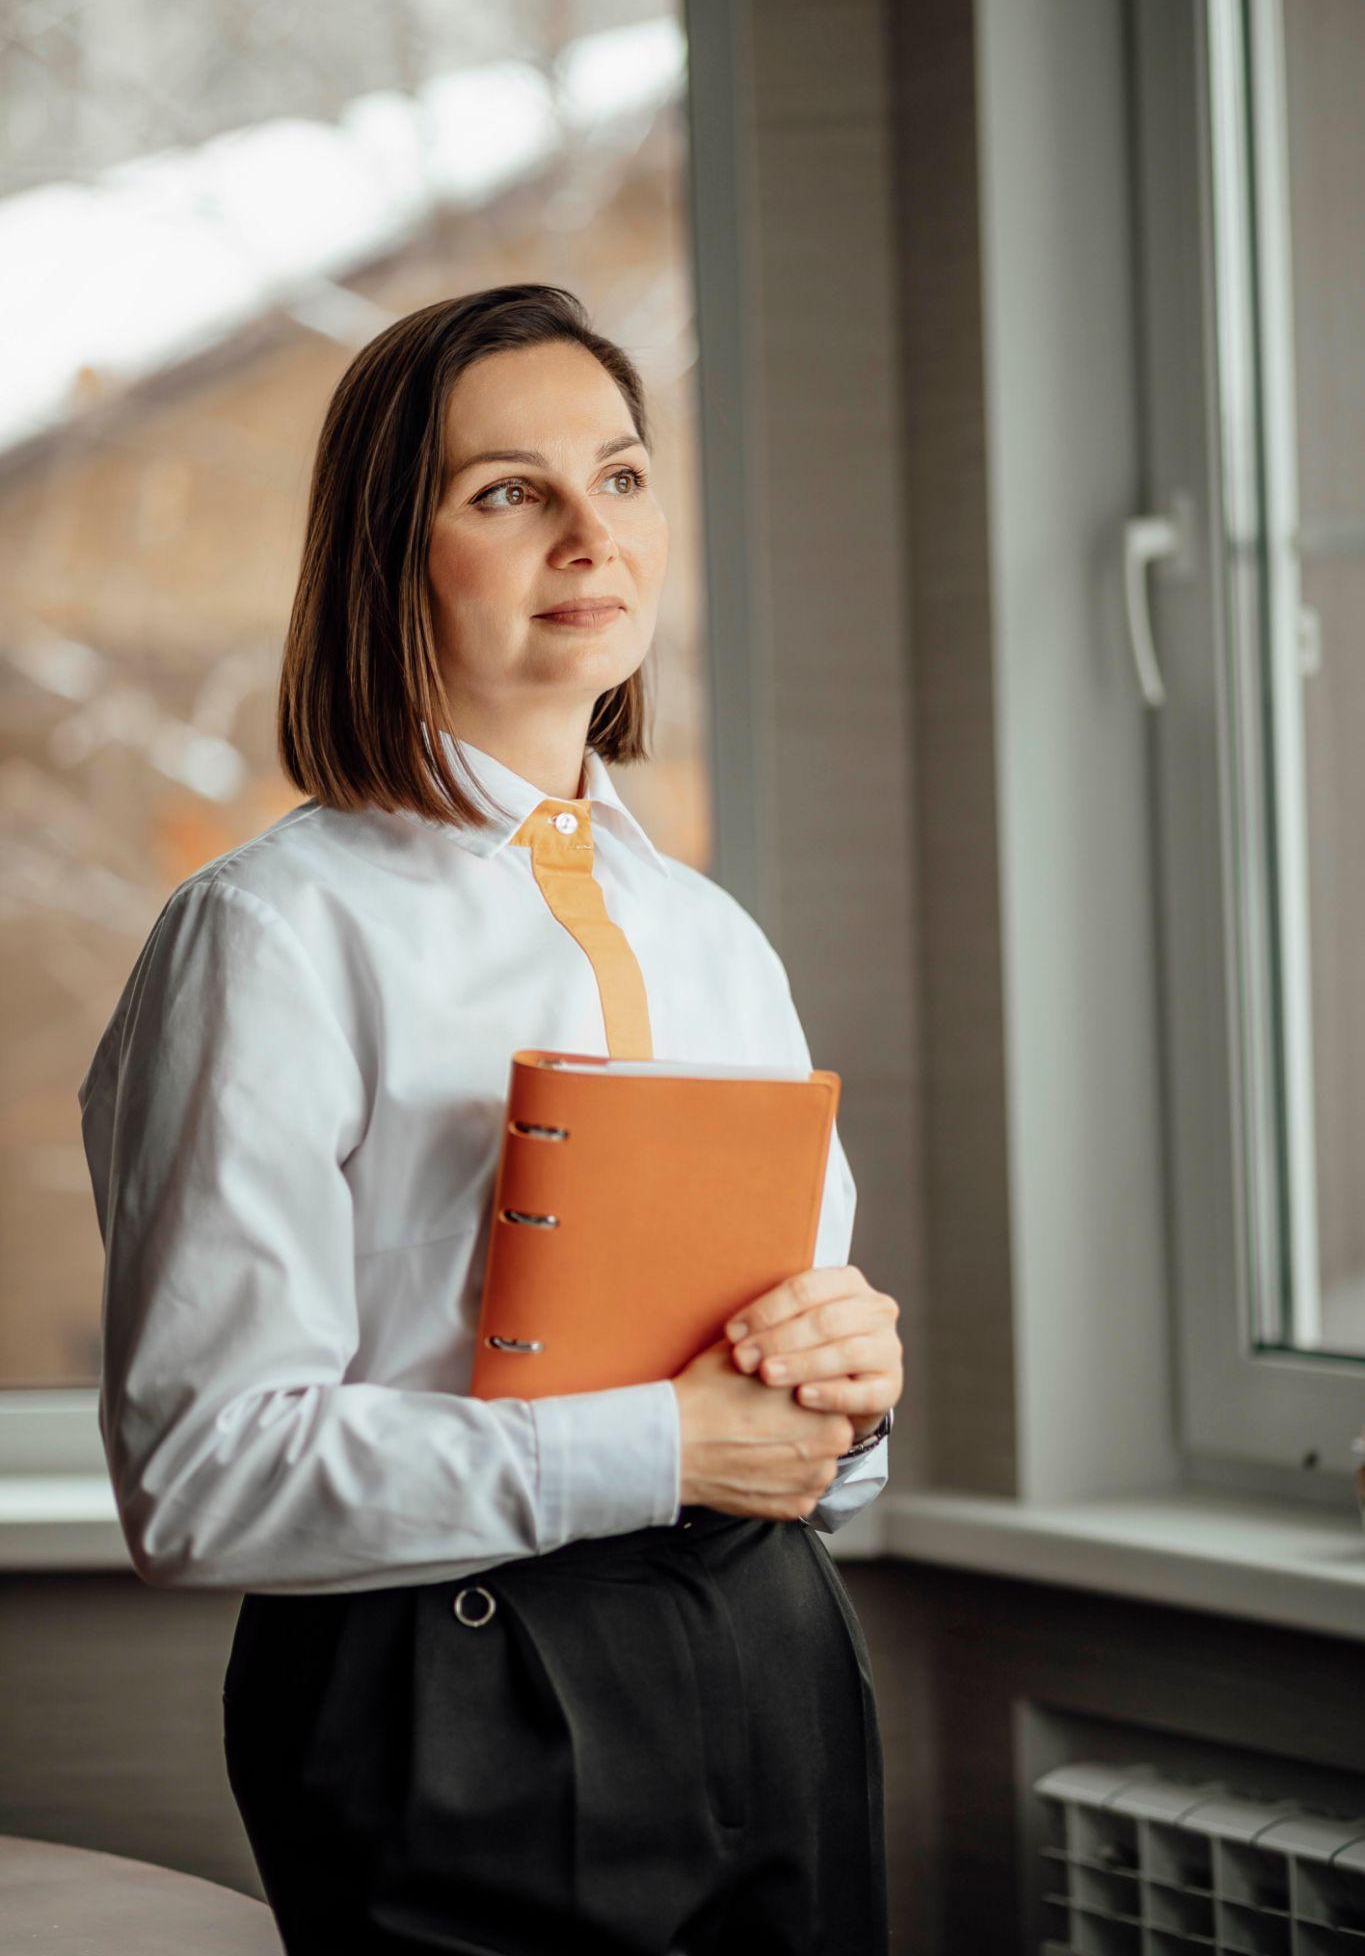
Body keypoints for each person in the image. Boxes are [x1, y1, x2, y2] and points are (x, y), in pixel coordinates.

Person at [78, 282, 903, 1954]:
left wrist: (848, 1403)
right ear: (395, 551)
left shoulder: (711, 938)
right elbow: (201, 1479)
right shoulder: (270, 934)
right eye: (508, 491)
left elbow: (799, 1436)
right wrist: (667, 1446)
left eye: (619, 476)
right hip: (454, 1693)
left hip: (773, 1661)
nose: (588, 537)